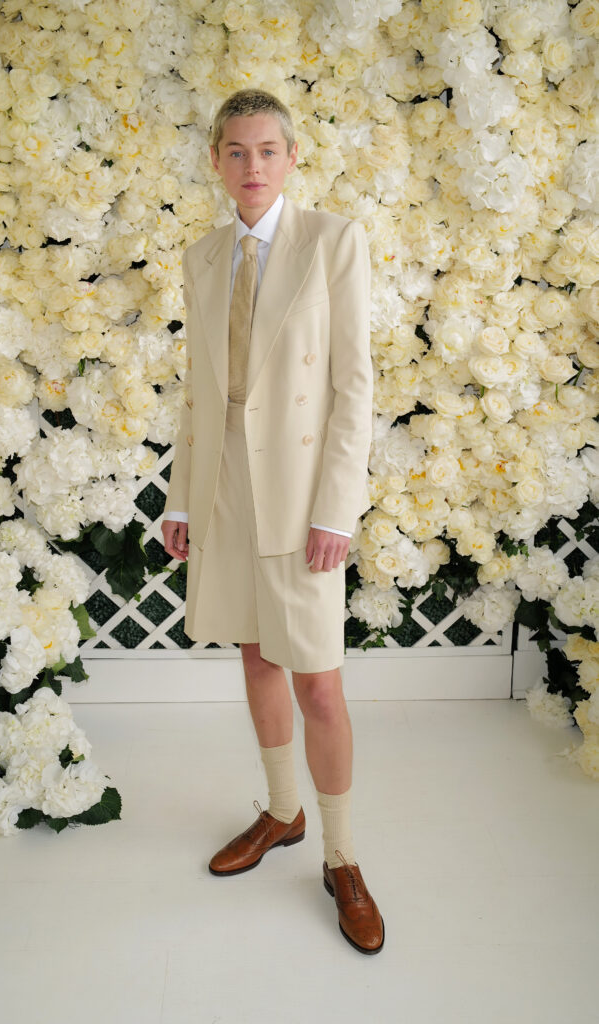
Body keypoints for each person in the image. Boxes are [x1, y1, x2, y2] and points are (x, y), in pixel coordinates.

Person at [161, 88, 383, 955]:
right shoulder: (202, 256)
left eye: (266, 150)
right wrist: (181, 497)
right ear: (216, 161)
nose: (250, 166)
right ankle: (283, 813)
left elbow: (353, 388)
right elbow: (196, 390)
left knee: (318, 680)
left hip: (299, 493)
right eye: (235, 151)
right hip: (223, 486)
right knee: (255, 656)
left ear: (291, 158)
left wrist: (336, 511)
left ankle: (342, 855)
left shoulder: (332, 241)